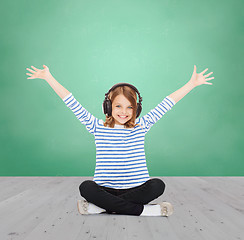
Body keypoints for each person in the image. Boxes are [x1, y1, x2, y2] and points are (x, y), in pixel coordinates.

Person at [26, 64, 214, 217]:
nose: (123, 112)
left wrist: (192, 84)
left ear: (136, 110)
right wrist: (48, 77)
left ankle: (100, 208)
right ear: (108, 106)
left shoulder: (142, 125)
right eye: (118, 106)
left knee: (158, 185)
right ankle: (147, 211)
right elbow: (71, 101)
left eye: (129, 107)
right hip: (104, 190)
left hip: (136, 189)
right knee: (86, 187)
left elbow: (167, 103)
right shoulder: (97, 126)